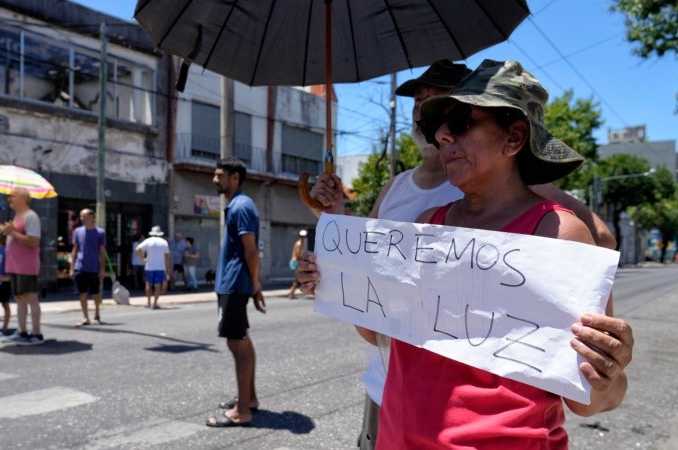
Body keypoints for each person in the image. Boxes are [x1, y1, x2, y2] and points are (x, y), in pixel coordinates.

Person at [301, 59, 634, 448]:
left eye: (460, 121)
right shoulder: (428, 225)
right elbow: (376, 333)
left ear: (513, 138)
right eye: (438, 124)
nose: (442, 135)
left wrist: (609, 369)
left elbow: (593, 400)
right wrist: (340, 280)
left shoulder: (559, 233)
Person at [206, 157, 266, 428]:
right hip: (234, 283)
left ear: (235, 178)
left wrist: (254, 283)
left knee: (237, 344)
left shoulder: (241, 206)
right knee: (242, 339)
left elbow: (251, 250)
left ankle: (242, 411)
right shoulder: (238, 205)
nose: (215, 179)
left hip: (234, 283)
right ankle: (249, 399)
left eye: (220, 175)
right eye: (215, 175)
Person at [1, 187, 45, 346]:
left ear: (24, 199)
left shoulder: (30, 216)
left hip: (26, 265)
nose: (9, 199)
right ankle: (22, 331)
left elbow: (34, 241)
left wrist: (12, 232)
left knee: (30, 296)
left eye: (13, 196)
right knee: (19, 298)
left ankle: (37, 333)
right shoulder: (17, 216)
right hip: (14, 264)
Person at [70, 208, 107, 327]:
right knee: (82, 292)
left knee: (95, 292)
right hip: (80, 266)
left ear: (92, 217)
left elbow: (102, 252)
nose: (82, 218)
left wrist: (102, 268)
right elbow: (74, 250)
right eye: (81, 216)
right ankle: (85, 317)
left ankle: (97, 313)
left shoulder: (100, 233)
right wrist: (71, 267)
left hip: (94, 267)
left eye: (84, 216)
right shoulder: (77, 231)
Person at [135, 225, 170, 309]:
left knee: (148, 284)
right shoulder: (163, 242)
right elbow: (167, 256)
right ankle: (155, 303)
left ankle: (148, 302)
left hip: (149, 266)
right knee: (158, 285)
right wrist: (167, 268)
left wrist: (142, 258)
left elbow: (137, 249)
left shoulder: (148, 241)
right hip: (160, 267)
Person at [287, 229, 308, 299]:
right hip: (295, 262)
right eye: (303, 236)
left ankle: (291, 292)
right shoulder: (299, 243)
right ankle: (291, 292)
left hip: (295, 261)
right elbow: (298, 254)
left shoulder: (299, 243)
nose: (304, 237)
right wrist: (304, 259)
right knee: (297, 279)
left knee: (297, 278)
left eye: (304, 236)